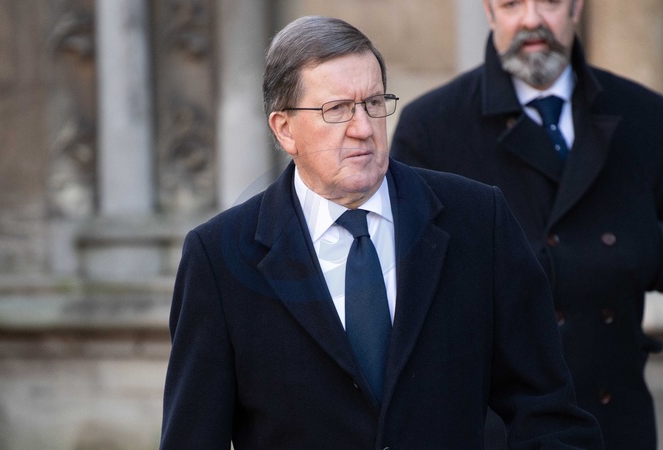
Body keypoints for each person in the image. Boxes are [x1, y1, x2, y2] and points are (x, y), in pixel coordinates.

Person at [159, 15, 603, 449]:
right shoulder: (218, 258)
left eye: (373, 103)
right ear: (285, 129)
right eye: (337, 109)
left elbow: (546, 412)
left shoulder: (477, 219)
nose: (363, 129)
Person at [391, 1, 663, 449]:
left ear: (576, 7)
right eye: (512, 3)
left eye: (550, 1)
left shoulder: (646, 116)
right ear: (489, 11)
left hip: (617, 423)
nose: (532, 19)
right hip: (501, 433)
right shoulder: (431, 129)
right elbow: (411, 299)